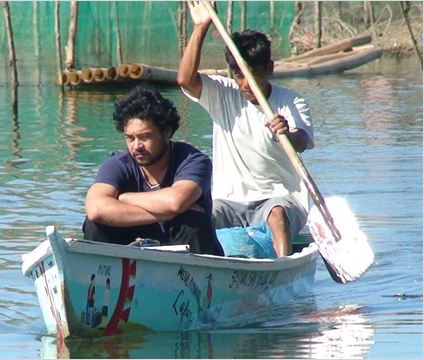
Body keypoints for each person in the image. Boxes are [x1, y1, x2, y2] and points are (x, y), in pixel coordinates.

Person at [177, 1, 314, 257]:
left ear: (269, 69)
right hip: (229, 200)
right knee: (199, 217)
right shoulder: (223, 93)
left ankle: (280, 269)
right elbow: (185, 79)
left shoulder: (291, 102)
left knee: (277, 217)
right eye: (239, 75)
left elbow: (303, 140)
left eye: (253, 75)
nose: (246, 84)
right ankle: (205, 272)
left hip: (278, 198)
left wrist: (287, 134)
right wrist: (201, 27)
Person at [82, 86, 224, 256]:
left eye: (145, 137)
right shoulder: (118, 164)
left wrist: (123, 198)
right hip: (132, 248)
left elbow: (175, 202)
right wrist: (165, 212)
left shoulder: (193, 160)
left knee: (192, 221)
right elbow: (96, 209)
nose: (136, 146)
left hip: (185, 251)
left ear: (167, 132)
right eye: (130, 138)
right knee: (95, 224)